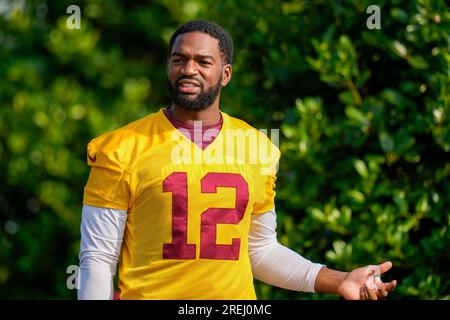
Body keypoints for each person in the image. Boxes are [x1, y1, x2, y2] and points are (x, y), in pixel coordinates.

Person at [78, 19, 396, 300]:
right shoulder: (120, 148)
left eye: (203, 61)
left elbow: (259, 250)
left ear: (225, 73)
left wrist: (340, 280)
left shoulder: (258, 148)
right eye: (179, 60)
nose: (189, 69)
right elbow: (98, 258)